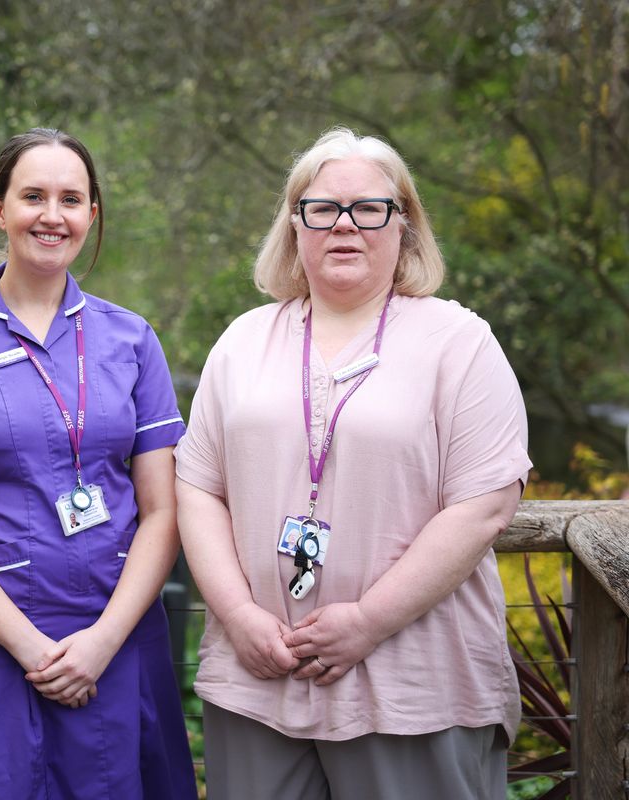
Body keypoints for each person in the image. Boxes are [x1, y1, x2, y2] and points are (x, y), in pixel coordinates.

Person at [175, 127, 532, 800]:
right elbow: (198, 489)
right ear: (294, 225)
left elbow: (484, 506)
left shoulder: (460, 343)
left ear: (405, 227)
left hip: (412, 688)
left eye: (370, 208)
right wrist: (239, 616)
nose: (345, 226)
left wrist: (367, 622)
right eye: (322, 209)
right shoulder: (242, 342)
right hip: (259, 680)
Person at [0, 128, 197, 799]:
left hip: (114, 644)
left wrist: (103, 641)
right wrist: (30, 647)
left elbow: (162, 511)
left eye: (71, 199)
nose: (51, 215)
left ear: (92, 215)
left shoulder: (132, 339)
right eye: (33, 196)